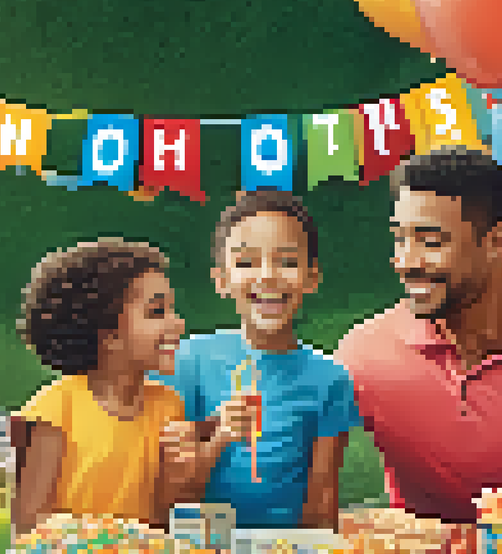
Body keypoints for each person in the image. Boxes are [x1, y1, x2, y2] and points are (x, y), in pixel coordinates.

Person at [333, 146, 502, 523]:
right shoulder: (363, 353)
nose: (406, 261)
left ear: (496, 241)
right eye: (400, 238)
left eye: (431, 241)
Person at [150, 191, 359, 529]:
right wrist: (219, 434)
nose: (268, 276)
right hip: (201, 553)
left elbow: (321, 497)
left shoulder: (329, 379)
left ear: (312, 278)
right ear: (222, 280)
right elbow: (167, 493)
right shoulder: (186, 361)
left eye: (287, 262)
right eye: (246, 263)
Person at [16, 239, 204, 530]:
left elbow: (163, 518)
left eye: (172, 310)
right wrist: (105, 539)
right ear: (108, 336)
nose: (177, 324)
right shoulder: (54, 409)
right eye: (157, 312)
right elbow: (29, 520)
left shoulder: (168, 407)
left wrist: (179, 478)